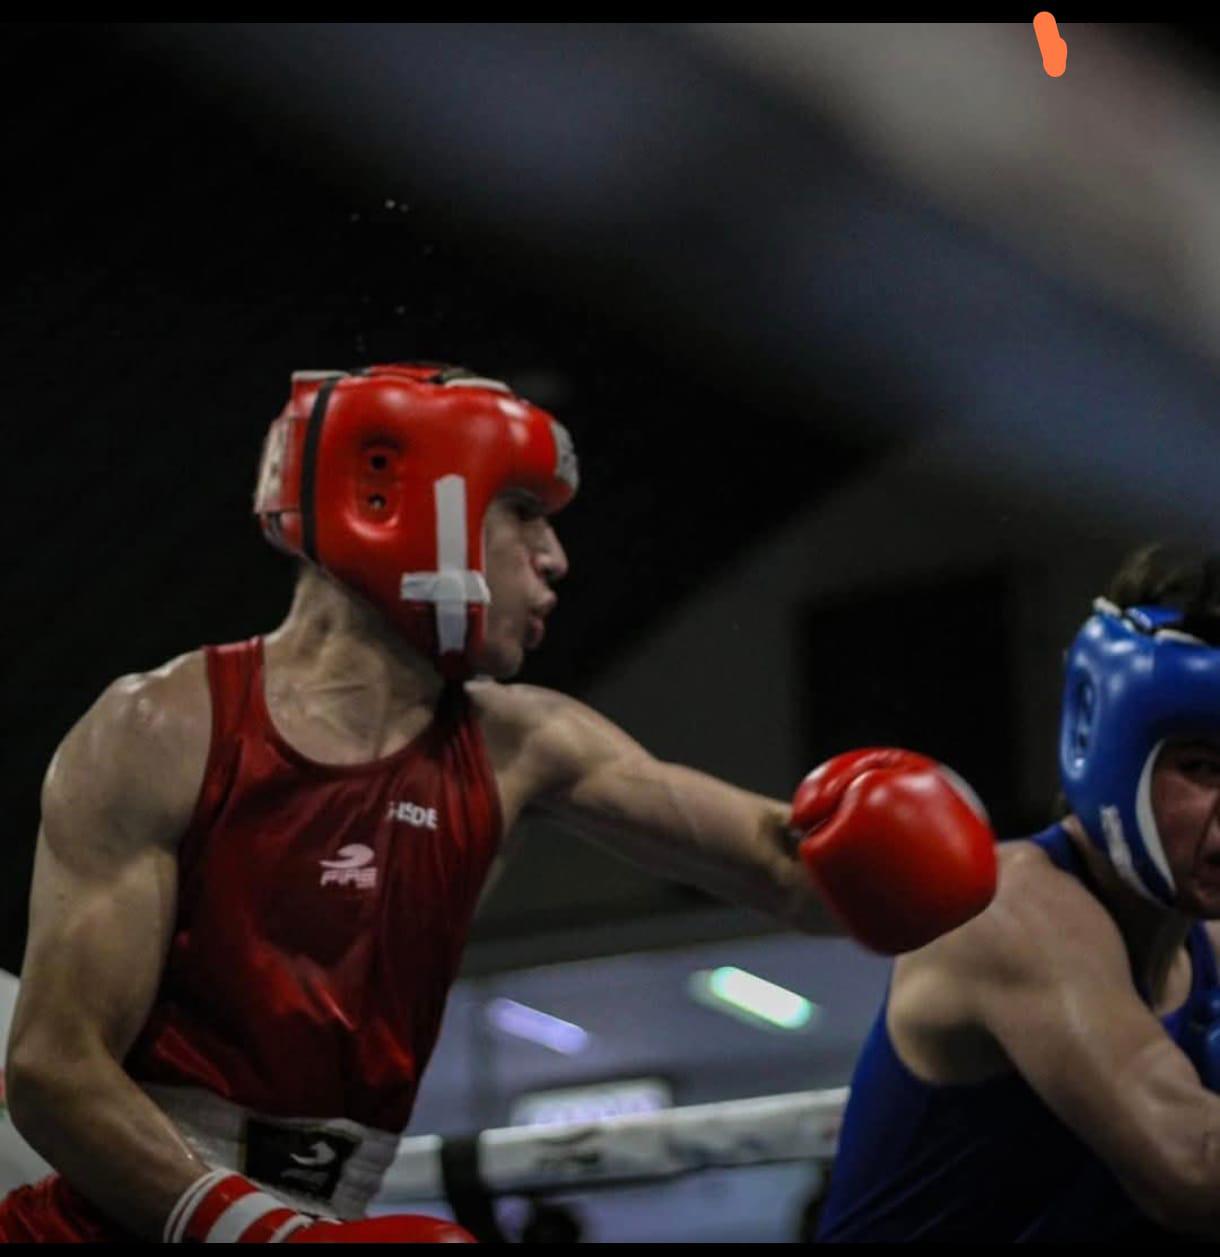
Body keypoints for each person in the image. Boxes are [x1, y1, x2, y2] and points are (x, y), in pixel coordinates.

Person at [0, 364, 996, 1243]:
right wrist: (266, 1236)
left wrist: (892, 854)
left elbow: (791, 870)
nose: (556, 558)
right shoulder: (165, 728)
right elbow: (51, 1069)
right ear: (403, 500)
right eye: (522, 510)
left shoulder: (521, 743)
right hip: (114, 1223)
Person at [816, 544, 1220, 1242]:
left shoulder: (1206, 941)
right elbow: (1195, 1169)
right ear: (1109, 740)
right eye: (1202, 766)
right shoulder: (1003, 909)